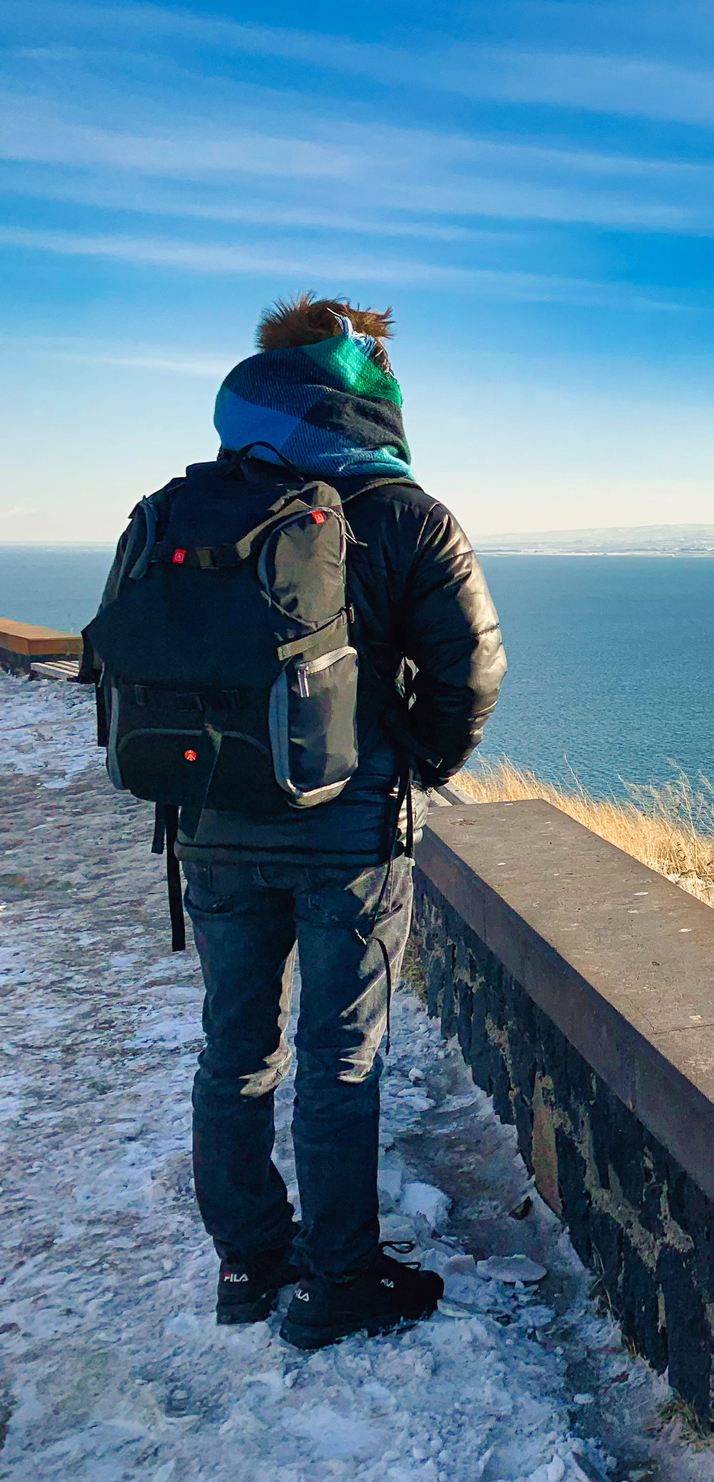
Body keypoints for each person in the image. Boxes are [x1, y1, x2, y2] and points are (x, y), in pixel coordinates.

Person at [155, 294, 504, 1348]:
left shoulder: (183, 505)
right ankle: (335, 1283)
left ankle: (248, 1265)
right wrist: (420, 765)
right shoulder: (406, 514)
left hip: (213, 823)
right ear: (367, 386)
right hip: (346, 837)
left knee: (234, 1049)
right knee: (338, 1057)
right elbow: (472, 673)